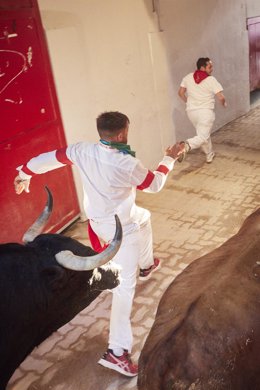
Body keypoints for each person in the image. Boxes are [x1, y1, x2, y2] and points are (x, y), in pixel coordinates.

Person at [14, 111, 183, 377]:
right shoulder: (127, 164)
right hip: (119, 229)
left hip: (102, 218)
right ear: (121, 134)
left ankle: (146, 265)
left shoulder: (82, 150)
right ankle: (116, 352)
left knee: (145, 216)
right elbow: (154, 184)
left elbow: (50, 159)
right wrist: (169, 158)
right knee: (124, 290)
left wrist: (24, 173)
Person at [178, 57, 227, 163]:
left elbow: (181, 93)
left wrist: (188, 102)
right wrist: (224, 103)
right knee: (203, 136)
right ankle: (186, 146)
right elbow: (221, 97)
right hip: (205, 113)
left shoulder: (187, 77)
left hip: (191, 112)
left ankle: (209, 154)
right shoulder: (211, 80)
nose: (212, 69)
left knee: (203, 134)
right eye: (210, 67)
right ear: (202, 67)